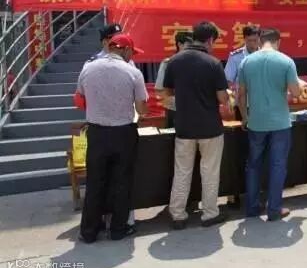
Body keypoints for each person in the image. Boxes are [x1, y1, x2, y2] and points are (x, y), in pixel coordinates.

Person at [75, 34, 148, 243]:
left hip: (97, 133)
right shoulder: (133, 72)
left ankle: (89, 232)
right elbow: (141, 109)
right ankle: (118, 229)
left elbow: (80, 98)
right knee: (122, 181)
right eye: (132, 53)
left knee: (95, 182)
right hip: (123, 133)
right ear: (125, 50)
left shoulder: (88, 68)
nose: (131, 57)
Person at [163, 22, 230, 230]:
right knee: (209, 172)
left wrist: (185, 102)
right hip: (210, 127)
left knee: (182, 171)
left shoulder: (175, 61)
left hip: (184, 126)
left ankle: (178, 215)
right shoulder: (213, 63)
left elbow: (167, 93)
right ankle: (209, 214)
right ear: (210, 40)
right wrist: (227, 97)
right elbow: (222, 97)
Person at [238, 28, 301, 221]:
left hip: (256, 122)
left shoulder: (246, 62)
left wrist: (245, 117)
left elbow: (241, 95)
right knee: (278, 165)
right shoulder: (286, 61)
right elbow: (296, 93)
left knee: (253, 165)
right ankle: (274, 209)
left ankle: (252, 207)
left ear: (260, 41)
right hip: (280, 122)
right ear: (278, 41)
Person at [155, 31, 193, 128]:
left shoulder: (200, 63)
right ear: (179, 44)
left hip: (196, 110)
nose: (192, 48)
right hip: (174, 110)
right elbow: (159, 90)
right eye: (189, 45)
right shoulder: (168, 63)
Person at [225, 25, 261, 92]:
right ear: (244, 39)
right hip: (241, 94)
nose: (252, 44)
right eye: (249, 40)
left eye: (255, 40)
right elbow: (228, 81)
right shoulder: (235, 57)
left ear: (259, 39)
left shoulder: (265, 56)